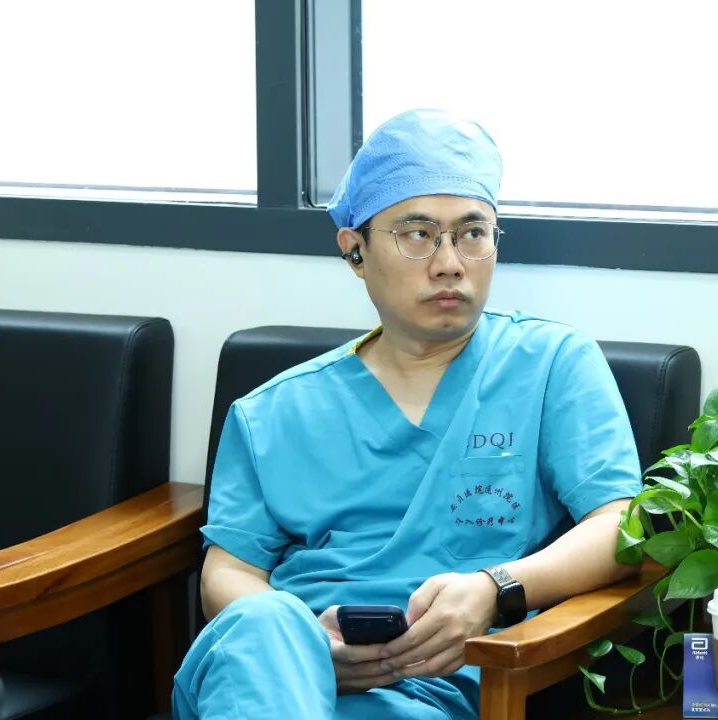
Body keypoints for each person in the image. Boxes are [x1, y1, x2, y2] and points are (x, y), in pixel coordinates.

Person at [172, 108, 642, 720]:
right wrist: (309, 646)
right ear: (355, 251)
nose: (450, 262)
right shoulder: (273, 410)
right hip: (266, 670)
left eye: (473, 233)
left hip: (430, 690)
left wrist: (497, 588)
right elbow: (227, 572)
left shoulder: (548, 365)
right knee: (264, 620)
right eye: (418, 234)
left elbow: (621, 524)